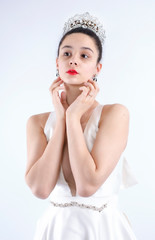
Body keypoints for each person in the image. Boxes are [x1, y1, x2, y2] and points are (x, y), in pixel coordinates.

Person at [25, 12, 138, 240]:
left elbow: (87, 185)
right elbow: (40, 189)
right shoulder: (37, 122)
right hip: (54, 230)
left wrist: (74, 117)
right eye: (66, 53)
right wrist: (62, 117)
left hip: (102, 229)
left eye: (85, 56)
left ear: (98, 68)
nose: (73, 60)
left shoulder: (115, 114)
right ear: (57, 63)